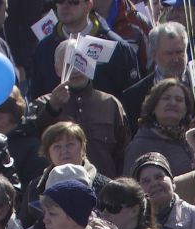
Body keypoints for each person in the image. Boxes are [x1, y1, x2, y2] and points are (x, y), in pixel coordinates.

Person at [32, 40, 129, 178]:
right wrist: (52, 108)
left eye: (81, 62)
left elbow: (124, 153)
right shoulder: (43, 103)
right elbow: (32, 141)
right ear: (57, 69)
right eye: (69, 64)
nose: (76, 70)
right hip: (58, 189)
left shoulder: (110, 104)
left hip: (104, 190)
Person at [124, 79, 195, 179]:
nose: (173, 103)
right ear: (153, 106)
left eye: (179, 100)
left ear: (186, 109)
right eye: (166, 98)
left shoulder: (191, 142)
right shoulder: (139, 146)